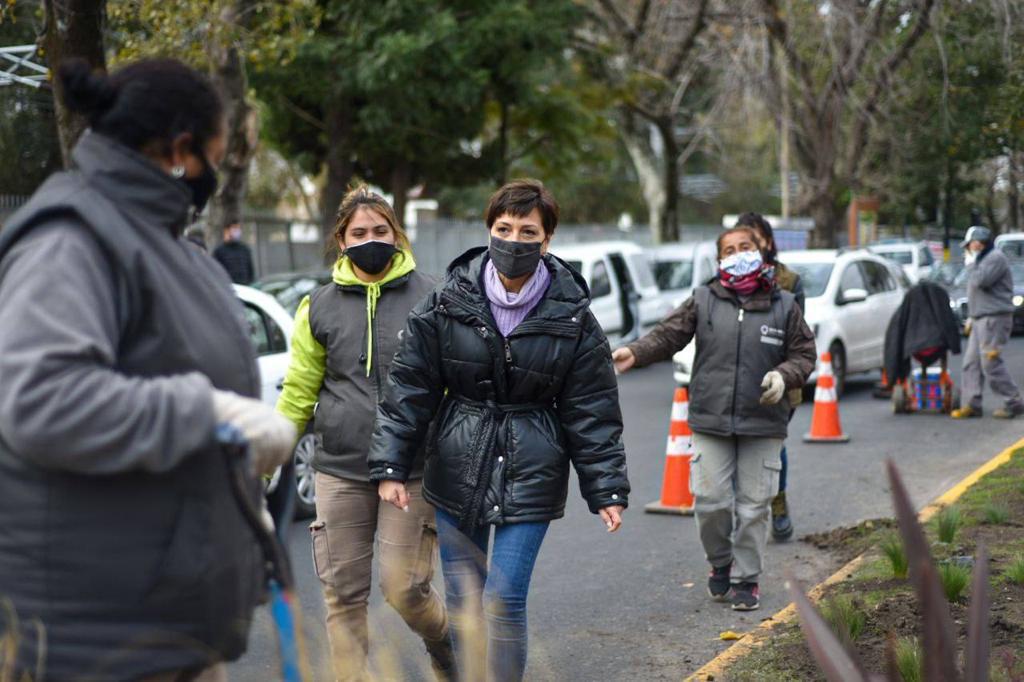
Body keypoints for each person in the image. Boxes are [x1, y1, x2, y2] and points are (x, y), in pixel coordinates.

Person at [0, 58, 295, 681]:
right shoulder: (70, 242)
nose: (216, 173)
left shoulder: (158, 241)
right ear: (182, 150)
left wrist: (231, 493)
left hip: (164, 624)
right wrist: (210, 414)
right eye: (217, 154)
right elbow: (43, 400)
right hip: (96, 640)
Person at [368, 179, 630, 682]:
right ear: (488, 230)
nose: (513, 240)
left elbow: (591, 407)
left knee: (504, 598)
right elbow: (409, 386)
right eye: (503, 227)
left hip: (533, 463)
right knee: (466, 600)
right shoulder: (447, 301)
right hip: (458, 460)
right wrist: (390, 465)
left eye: (527, 230)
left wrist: (606, 487)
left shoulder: (572, 313)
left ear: (546, 240)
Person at [275, 186, 452, 680]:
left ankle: (447, 643)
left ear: (397, 236)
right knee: (343, 595)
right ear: (341, 239)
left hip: (414, 471)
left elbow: (452, 386)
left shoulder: (433, 297)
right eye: (359, 232)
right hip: (339, 470)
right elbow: (298, 394)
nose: (370, 239)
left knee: (404, 589)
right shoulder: (318, 306)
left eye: (381, 231)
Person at [612, 225, 815, 611]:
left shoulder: (785, 304)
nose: (739, 254)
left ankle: (747, 578)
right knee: (710, 501)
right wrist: (635, 353)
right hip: (711, 418)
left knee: (755, 506)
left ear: (761, 252)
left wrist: (783, 375)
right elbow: (668, 335)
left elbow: (804, 354)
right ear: (719, 260)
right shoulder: (704, 299)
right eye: (730, 250)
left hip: (764, 420)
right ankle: (720, 562)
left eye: (746, 247)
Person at [735, 212, 804, 541]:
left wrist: (782, 376)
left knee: (772, 447)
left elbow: (799, 343)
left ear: (768, 242)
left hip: (777, 384)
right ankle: (743, 512)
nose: (749, 248)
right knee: (736, 446)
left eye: (755, 239)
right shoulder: (725, 282)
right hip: (735, 384)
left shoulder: (789, 282)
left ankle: (778, 503)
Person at [951, 225, 1024, 419]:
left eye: (970, 245)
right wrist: (972, 318)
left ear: (979, 242)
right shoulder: (982, 260)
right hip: (980, 318)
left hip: (994, 318)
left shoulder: (994, 259)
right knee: (971, 364)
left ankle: (1013, 401)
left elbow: (980, 281)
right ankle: (972, 403)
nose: (968, 249)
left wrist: (970, 263)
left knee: (990, 363)